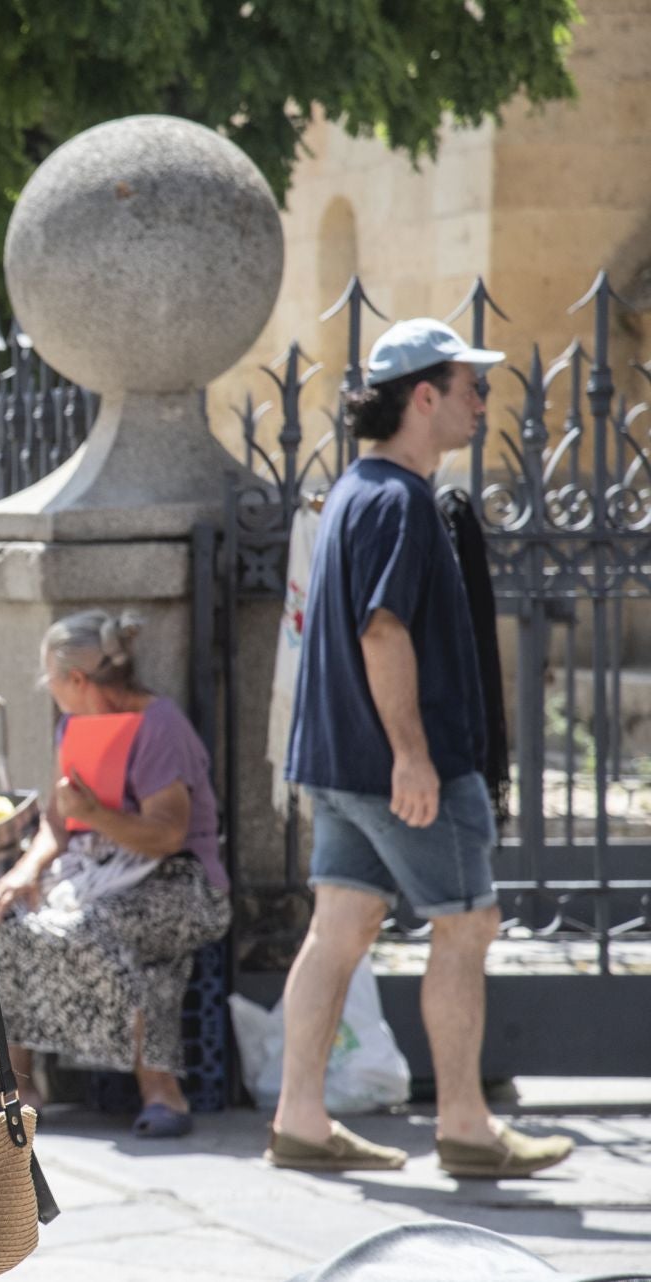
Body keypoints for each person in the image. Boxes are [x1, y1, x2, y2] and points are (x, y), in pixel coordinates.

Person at [274, 318, 572, 1177]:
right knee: (467, 926)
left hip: (333, 764)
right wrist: (413, 756)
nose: (484, 402)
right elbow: (382, 629)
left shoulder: (352, 493)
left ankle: (300, 1119)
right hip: (404, 772)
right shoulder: (401, 501)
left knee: (339, 929)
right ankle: (468, 1128)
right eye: (471, 386)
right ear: (424, 396)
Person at [0, 611, 231, 1138]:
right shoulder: (73, 725)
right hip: (98, 872)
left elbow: (167, 834)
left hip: (179, 882)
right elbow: (58, 816)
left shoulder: (160, 728)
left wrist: (94, 815)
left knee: (104, 927)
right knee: (8, 920)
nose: (48, 688)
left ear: (76, 680)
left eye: (49, 677)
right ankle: (19, 1088)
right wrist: (24, 872)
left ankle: (162, 1090)